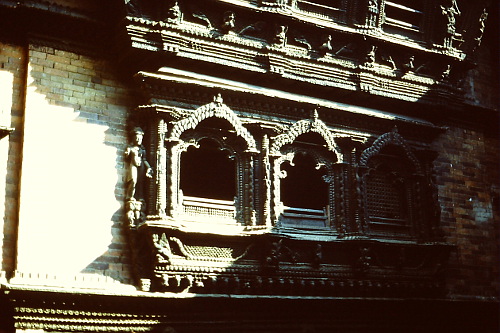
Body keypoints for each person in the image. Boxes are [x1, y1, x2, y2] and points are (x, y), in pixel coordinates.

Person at [125, 127, 153, 201]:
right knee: (133, 180)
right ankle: (129, 195)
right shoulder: (130, 148)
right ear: (133, 138)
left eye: (140, 139)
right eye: (137, 138)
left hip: (141, 166)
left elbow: (144, 160)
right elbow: (126, 156)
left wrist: (149, 167)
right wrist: (128, 152)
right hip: (133, 165)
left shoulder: (142, 150)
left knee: (140, 182)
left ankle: (140, 197)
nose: (138, 140)